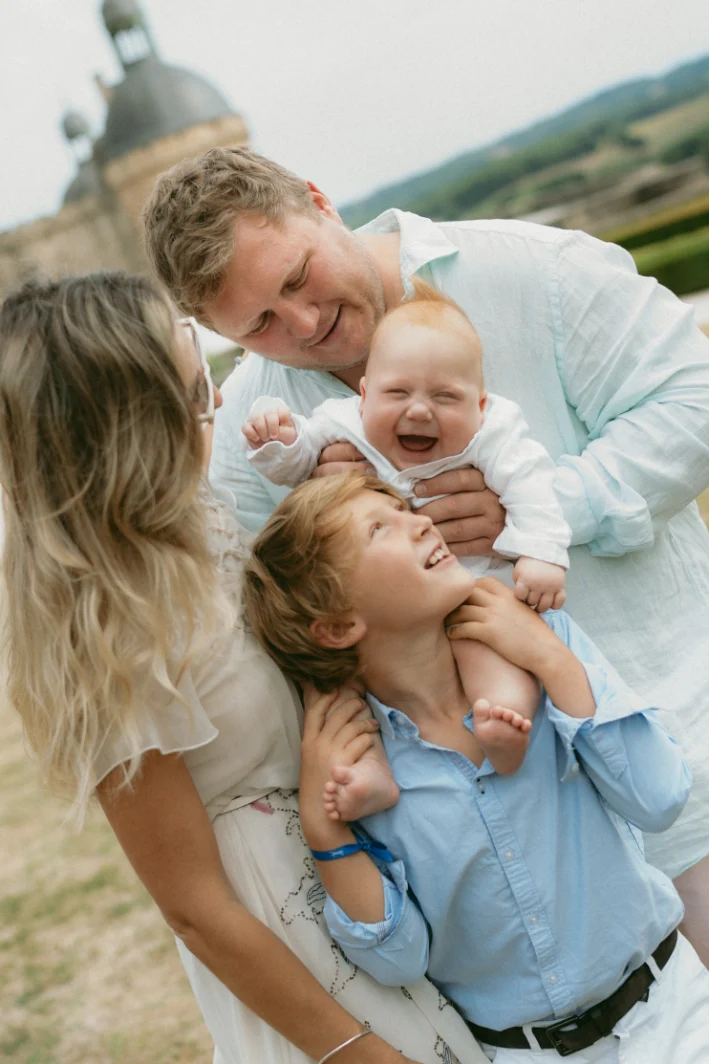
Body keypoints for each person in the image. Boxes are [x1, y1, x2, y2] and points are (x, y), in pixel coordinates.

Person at [142, 147, 709, 962]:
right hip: (508, 879)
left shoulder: (532, 271)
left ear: (319, 200)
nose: (301, 324)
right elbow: (277, 620)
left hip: (683, 765)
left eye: (298, 276)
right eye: (257, 324)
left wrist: (544, 509)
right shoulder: (253, 435)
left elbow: (692, 398)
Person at [0, 274, 490, 1064]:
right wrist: (363, 1055)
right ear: (130, 421)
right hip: (282, 931)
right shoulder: (108, 621)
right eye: (196, 387)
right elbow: (194, 908)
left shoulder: (196, 517)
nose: (220, 400)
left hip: (359, 878)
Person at [244, 472, 709, 1062]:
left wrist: (550, 658)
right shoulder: (353, 767)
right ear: (337, 626)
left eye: (405, 509)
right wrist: (325, 830)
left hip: (677, 1011)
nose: (420, 522)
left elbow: (660, 797)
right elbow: (398, 959)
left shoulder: (537, 641)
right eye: (379, 529)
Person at [243, 280, 570, 786]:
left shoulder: (495, 432)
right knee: (343, 678)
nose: (419, 411)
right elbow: (297, 460)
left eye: (446, 397)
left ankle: (503, 720)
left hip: (468, 588)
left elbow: (532, 485)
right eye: (397, 393)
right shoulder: (342, 422)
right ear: (364, 394)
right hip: (386, 616)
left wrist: (541, 553)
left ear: (480, 405)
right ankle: (367, 770)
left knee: (489, 650)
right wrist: (279, 442)